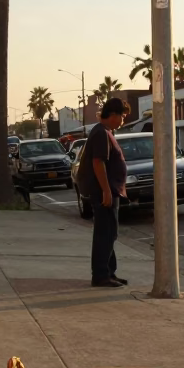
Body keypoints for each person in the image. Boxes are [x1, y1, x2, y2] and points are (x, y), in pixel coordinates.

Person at [75, 97, 131, 287]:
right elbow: (98, 162)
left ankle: (109, 272)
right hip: (103, 192)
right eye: (122, 116)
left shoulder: (106, 132)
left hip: (110, 190)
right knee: (105, 233)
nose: (123, 120)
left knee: (110, 233)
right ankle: (100, 275)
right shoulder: (101, 133)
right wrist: (106, 190)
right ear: (113, 115)